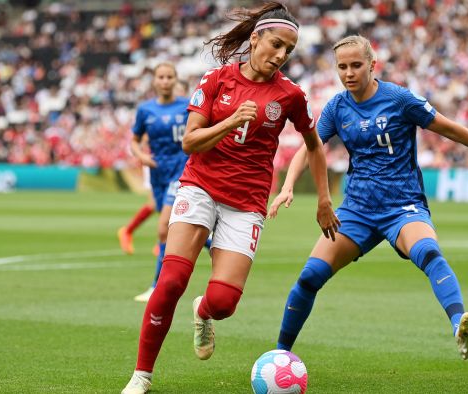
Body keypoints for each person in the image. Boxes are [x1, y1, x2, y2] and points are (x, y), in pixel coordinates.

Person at [268, 35, 468, 361]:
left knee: (428, 252)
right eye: (342, 67)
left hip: (402, 205)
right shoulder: (337, 107)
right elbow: (311, 147)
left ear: (372, 65)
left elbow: (449, 129)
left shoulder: (399, 99)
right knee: (309, 277)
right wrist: (288, 185)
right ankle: (280, 355)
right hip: (357, 210)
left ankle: (459, 326)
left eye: (356, 65)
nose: (349, 73)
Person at [121, 3, 339, 393]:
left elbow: (315, 145)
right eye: (275, 44)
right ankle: (141, 376)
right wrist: (231, 120)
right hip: (200, 186)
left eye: (288, 50)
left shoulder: (289, 95)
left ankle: (202, 311)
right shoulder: (216, 79)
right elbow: (190, 141)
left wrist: (323, 200)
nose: (280, 55)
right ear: (254, 38)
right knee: (170, 281)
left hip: (247, 201)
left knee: (223, 303)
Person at [125, 63, 191, 302]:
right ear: (154, 81)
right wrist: (141, 156)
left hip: (181, 170)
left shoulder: (187, 105)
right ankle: (213, 244)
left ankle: (157, 286)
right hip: (157, 174)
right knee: (174, 227)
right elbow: (134, 140)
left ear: (175, 80)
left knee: (163, 227)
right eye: (161, 77)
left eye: (169, 77)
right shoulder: (145, 110)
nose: (165, 81)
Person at [117, 80, 194, 259]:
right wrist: (145, 154)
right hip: (159, 164)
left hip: (178, 165)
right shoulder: (157, 111)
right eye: (179, 91)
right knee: (158, 206)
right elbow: (142, 136)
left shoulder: (185, 110)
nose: (181, 96)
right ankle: (133, 232)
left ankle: (158, 240)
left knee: (167, 208)